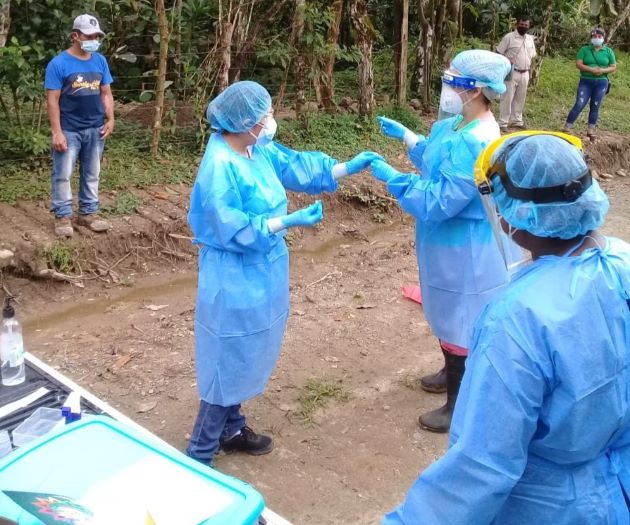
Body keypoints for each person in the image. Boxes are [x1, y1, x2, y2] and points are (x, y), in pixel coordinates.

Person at [382, 132, 630, 525]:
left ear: (516, 215)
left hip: (550, 507)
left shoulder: (516, 318)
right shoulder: (621, 262)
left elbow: (482, 465)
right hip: (618, 489)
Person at [186, 80, 382, 465]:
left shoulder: (253, 147)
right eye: (264, 116)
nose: (270, 120)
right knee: (227, 357)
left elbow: (293, 164)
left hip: (263, 269)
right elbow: (232, 227)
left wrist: (344, 167)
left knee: (247, 351)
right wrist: (284, 222)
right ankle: (199, 453)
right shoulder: (219, 167)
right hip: (233, 273)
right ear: (243, 122)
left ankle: (232, 427)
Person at [373, 50, 514, 433]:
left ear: (476, 89)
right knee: (446, 312)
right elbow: (437, 161)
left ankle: (459, 405)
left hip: (463, 246)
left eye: (454, 80)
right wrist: (408, 138)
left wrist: (394, 179)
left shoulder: (479, 139)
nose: (447, 86)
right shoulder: (455, 125)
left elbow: (440, 200)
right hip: (442, 244)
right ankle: (451, 369)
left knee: (462, 318)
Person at [44, 14, 114, 238]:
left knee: (93, 172)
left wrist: (110, 118)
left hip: (96, 128)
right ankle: (63, 216)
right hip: (69, 129)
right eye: (89, 35)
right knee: (63, 173)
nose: (94, 39)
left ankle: (88, 214)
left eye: (97, 36)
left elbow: (106, 93)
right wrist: (57, 132)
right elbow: (52, 100)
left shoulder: (100, 61)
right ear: (75, 36)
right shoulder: (58, 64)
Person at [564, 27, 617, 140]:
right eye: (594, 36)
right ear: (591, 38)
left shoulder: (608, 51)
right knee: (580, 103)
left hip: (602, 82)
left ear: (603, 38)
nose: (597, 38)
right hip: (586, 81)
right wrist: (591, 70)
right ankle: (567, 127)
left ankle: (591, 130)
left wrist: (602, 71)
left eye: (599, 37)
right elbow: (579, 64)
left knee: (595, 105)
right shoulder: (585, 50)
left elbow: (613, 67)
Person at [496, 15, 536, 131]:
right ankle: (503, 122)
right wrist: (507, 60)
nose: (524, 27)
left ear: (529, 26)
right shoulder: (509, 37)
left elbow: (532, 55)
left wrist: (531, 71)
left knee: (520, 98)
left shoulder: (529, 39)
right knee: (507, 97)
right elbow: (498, 53)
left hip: (525, 73)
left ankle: (516, 120)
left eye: (526, 25)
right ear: (517, 24)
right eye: (522, 24)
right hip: (512, 71)